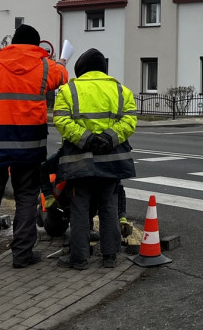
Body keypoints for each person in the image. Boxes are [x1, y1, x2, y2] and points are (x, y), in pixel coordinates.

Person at [0, 24, 68, 270]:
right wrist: (60, 62)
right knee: (26, 198)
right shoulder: (44, 66)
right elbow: (63, 77)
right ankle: (21, 254)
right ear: (36, 45)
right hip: (29, 145)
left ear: (13, 42)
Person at [52, 48, 137, 270]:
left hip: (79, 160)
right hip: (111, 160)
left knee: (79, 208)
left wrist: (86, 138)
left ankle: (79, 259)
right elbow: (129, 121)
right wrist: (109, 138)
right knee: (109, 206)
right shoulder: (120, 90)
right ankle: (109, 257)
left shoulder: (69, 90)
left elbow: (60, 120)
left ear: (80, 69)